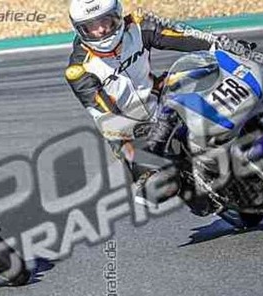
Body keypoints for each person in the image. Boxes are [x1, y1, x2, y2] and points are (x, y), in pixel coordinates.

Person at [65, 0, 214, 204]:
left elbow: (186, 37)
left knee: (207, 82)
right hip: (128, 133)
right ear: (79, 29)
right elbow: (104, 115)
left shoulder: (138, 27)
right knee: (160, 186)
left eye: (105, 21)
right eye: (91, 26)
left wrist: (222, 45)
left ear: (117, 15)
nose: (100, 30)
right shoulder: (79, 70)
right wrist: (139, 129)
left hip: (161, 99)